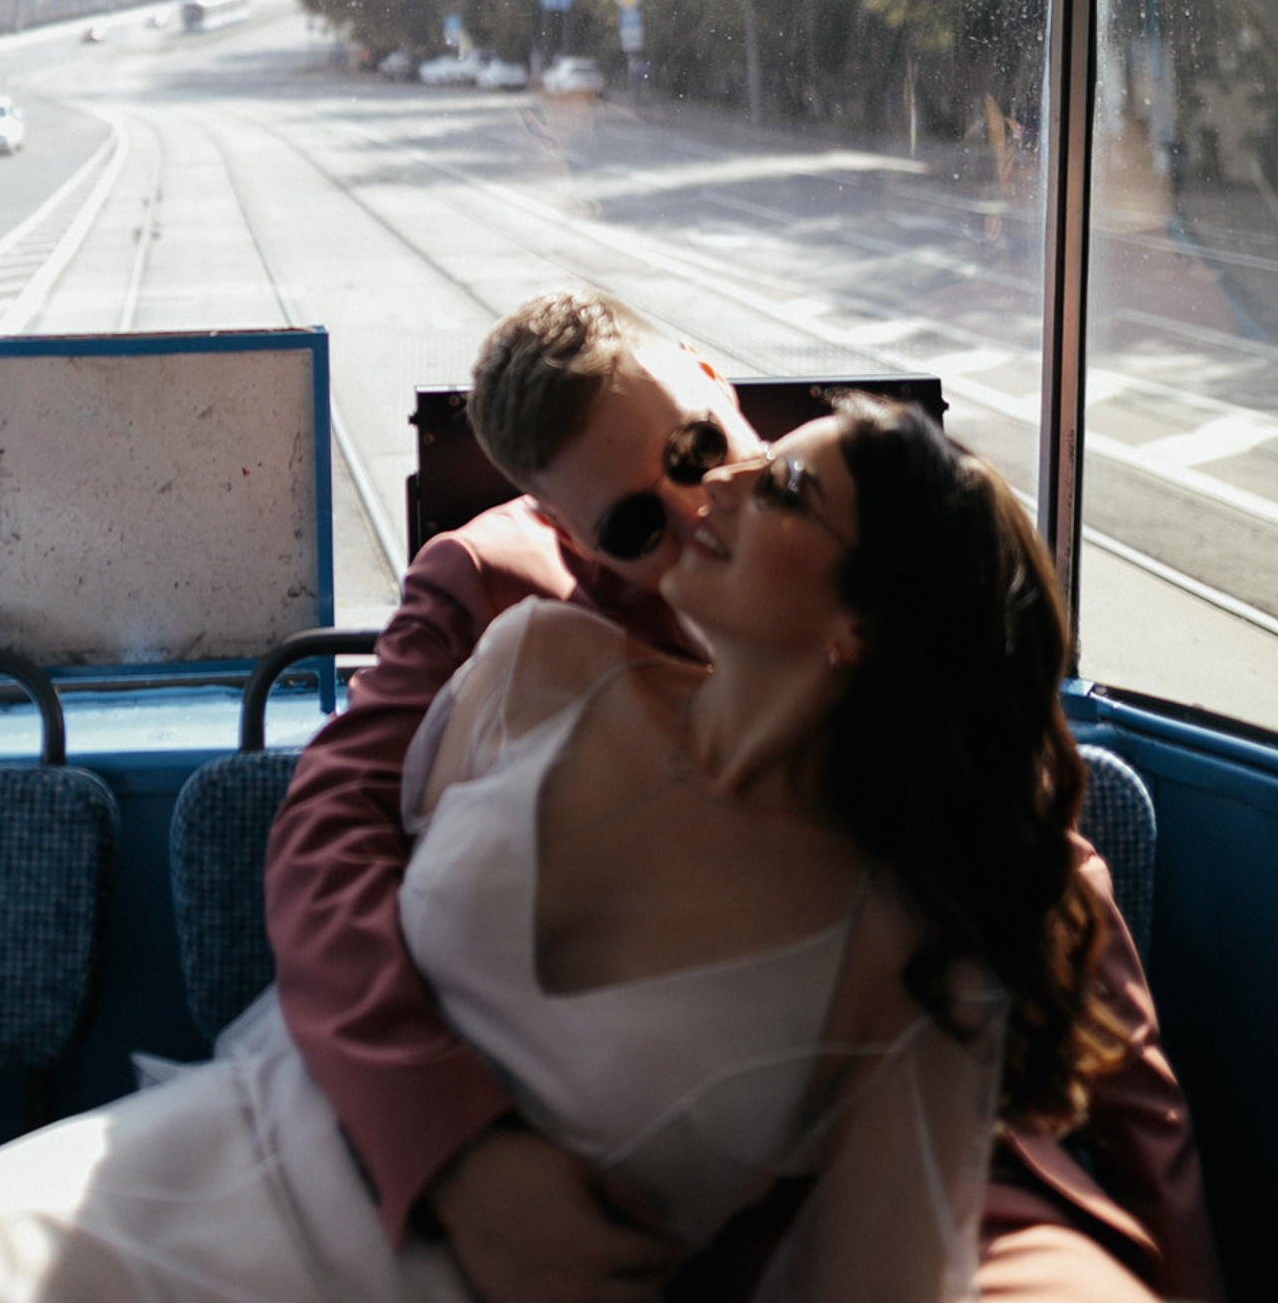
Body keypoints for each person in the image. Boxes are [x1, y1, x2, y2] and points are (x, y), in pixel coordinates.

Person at [0, 378, 1138, 1303]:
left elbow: (878, 1279)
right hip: (201, 1166)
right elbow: (332, 857)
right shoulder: (536, 662)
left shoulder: (914, 959)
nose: (712, 493)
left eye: (781, 494)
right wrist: (452, 1148)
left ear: (861, 629)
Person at [265, 292, 1221, 1303]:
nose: (694, 514)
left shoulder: (880, 560)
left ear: (710, 373)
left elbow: (1038, 879)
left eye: (696, 447)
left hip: (949, 1155)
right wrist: (447, 1141)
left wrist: (1182, 1259)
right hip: (632, 1180)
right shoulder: (499, 597)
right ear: (567, 533)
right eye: (632, 524)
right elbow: (328, 837)